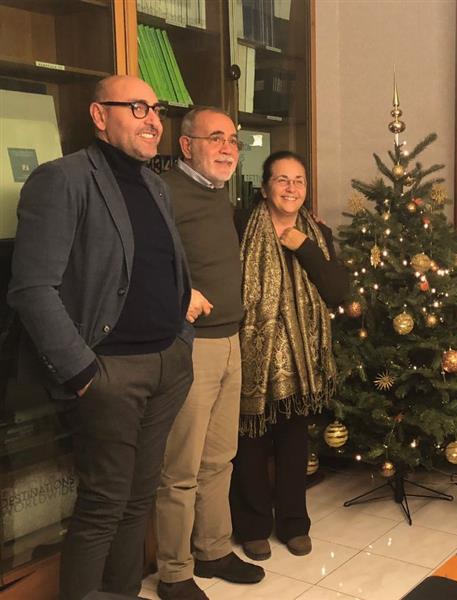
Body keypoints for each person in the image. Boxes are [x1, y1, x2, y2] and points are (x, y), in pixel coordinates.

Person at [7, 75, 194, 600]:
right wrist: (84, 372)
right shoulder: (62, 179)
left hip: (168, 362)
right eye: (137, 107)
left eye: (156, 109)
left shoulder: (155, 185)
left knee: (138, 498)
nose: (152, 119)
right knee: (104, 503)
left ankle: (122, 592)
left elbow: (166, 269)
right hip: (110, 372)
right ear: (98, 115)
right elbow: (32, 288)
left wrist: (181, 339)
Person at [155, 108, 264, 600]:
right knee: (181, 468)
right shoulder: (165, 192)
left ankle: (213, 549)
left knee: (220, 458)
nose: (227, 148)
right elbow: (140, 262)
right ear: (186, 145)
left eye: (233, 140)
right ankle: (175, 572)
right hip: (190, 346)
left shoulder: (219, 194)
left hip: (229, 340)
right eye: (215, 138)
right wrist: (181, 296)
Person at [229, 151, 348, 560]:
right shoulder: (240, 226)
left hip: (301, 361)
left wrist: (305, 247)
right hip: (251, 356)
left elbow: (337, 291)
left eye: (299, 180)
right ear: (265, 188)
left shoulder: (317, 233)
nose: (291, 188)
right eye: (282, 179)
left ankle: (294, 524)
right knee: (250, 443)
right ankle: (253, 527)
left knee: (294, 443)